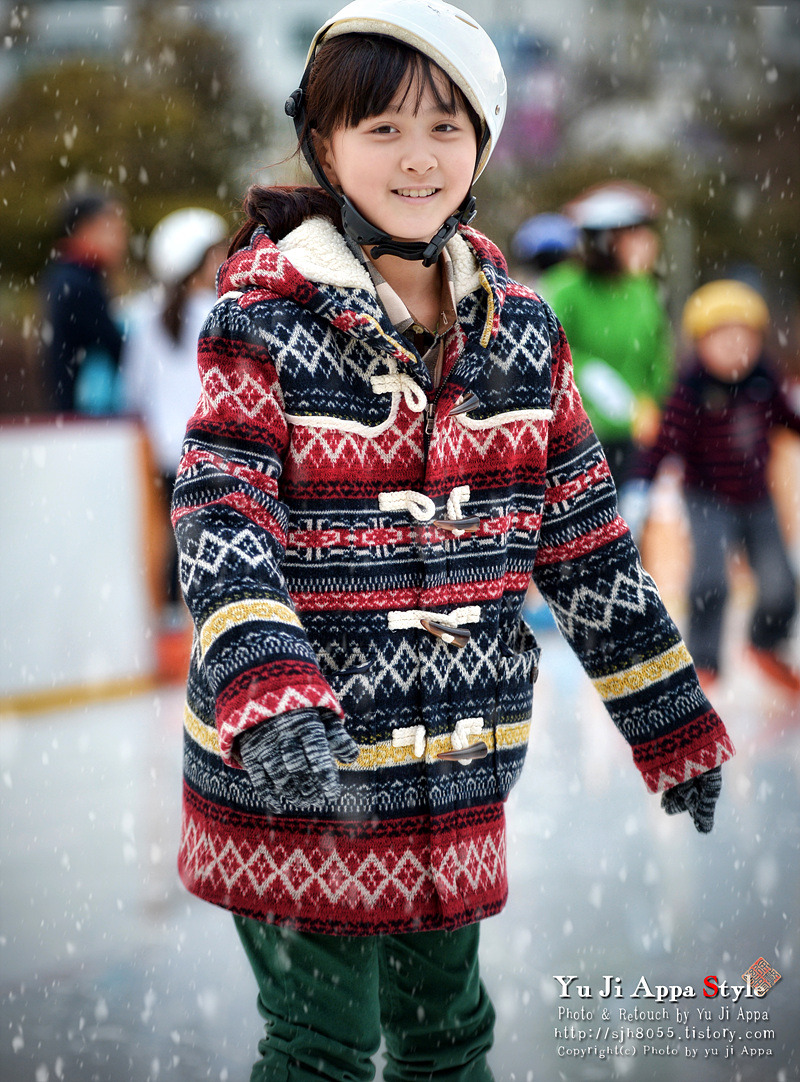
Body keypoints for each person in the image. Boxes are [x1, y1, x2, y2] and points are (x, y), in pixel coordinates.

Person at [170, 3, 734, 1078]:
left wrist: (669, 720)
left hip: (454, 778)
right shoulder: (264, 321)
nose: (416, 157)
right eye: (380, 129)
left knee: (449, 1037)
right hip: (302, 772)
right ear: (324, 144)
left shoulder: (523, 334)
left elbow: (587, 552)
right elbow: (221, 505)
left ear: (481, 142)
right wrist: (266, 679)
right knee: (324, 1046)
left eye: (443, 126)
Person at [631, 279, 800, 694]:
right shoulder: (691, 387)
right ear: (701, 344)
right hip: (707, 498)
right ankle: (705, 661)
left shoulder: (764, 378)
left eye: (745, 339)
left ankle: (765, 642)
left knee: (780, 583)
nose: (735, 349)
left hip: (756, 497)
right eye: (723, 339)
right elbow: (665, 442)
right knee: (710, 582)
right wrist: (640, 486)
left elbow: (788, 419)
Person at [122, 207, 229, 623]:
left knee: (174, 543)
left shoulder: (143, 316)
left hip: (167, 452)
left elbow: (134, 389)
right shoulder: (223, 310)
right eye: (215, 252)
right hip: (215, 450)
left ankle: (171, 627)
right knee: (213, 547)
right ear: (198, 261)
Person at [539, 181, 673, 486]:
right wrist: (604, 387)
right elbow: (555, 355)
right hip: (578, 437)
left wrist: (654, 405)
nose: (650, 244)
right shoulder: (565, 288)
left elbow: (658, 357)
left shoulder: (643, 290)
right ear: (605, 241)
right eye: (636, 235)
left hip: (637, 438)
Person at [40, 188, 129, 413]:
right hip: (82, 421)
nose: (122, 241)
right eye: (115, 230)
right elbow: (120, 350)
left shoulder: (70, 276)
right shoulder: (77, 283)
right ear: (86, 228)